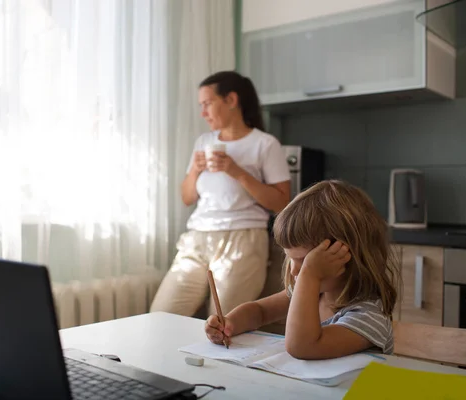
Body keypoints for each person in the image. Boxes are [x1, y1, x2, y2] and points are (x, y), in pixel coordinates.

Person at [204, 180, 400, 360]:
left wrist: (310, 275)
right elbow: (260, 312)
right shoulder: (315, 295)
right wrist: (230, 323)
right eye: (290, 259)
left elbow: (303, 347)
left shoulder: (368, 317)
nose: (295, 271)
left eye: (305, 261)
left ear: (346, 256)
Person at [150, 71, 291, 317]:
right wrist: (195, 169)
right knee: (161, 315)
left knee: (222, 323)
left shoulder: (265, 144)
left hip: (242, 239)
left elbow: (282, 203)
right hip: (197, 238)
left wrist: (236, 171)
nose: (203, 112)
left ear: (231, 100)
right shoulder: (204, 141)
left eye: (207, 104)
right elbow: (187, 198)